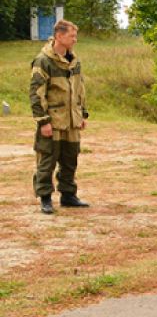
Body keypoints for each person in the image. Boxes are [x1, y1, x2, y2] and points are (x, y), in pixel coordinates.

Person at [30, 19, 89, 214]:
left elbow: (80, 88)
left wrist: (83, 114)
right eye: (72, 36)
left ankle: (68, 195)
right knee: (47, 159)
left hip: (71, 120)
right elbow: (36, 94)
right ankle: (45, 197)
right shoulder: (43, 61)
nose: (75, 40)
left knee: (70, 158)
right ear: (59, 36)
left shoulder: (75, 60)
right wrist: (43, 121)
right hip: (53, 121)